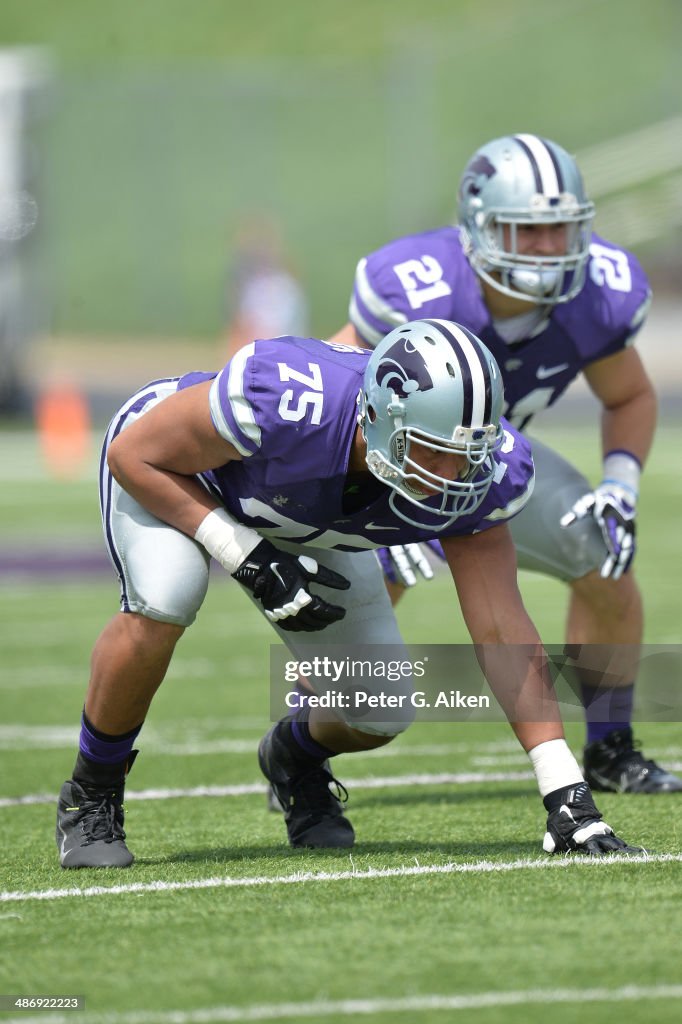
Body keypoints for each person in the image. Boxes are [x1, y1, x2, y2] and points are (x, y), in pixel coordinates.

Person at [55, 318, 641, 867]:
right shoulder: (287, 400)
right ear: (380, 418)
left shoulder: (480, 472)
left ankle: (294, 758)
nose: (452, 474)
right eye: (433, 449)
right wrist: (245, 556)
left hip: (307, 518)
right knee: (169, 595)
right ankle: (93, 792)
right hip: (186, 474)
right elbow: (135, 453)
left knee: (380, 708)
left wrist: (565, 791)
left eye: (466, 455)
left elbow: (501, 628)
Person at [329, 133, 682, 796]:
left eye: (560, 230)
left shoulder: (597, 295)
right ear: (479, 226)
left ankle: (611, 748)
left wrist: (621, 483)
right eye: (528, 230)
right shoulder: (418, 285)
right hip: (398, 464)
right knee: (371, 582)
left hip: (496, 459)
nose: (549, 250)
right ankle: (304, 747)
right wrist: (368, 509)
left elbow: (629, 393)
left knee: (605, 554)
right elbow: (339, 388)